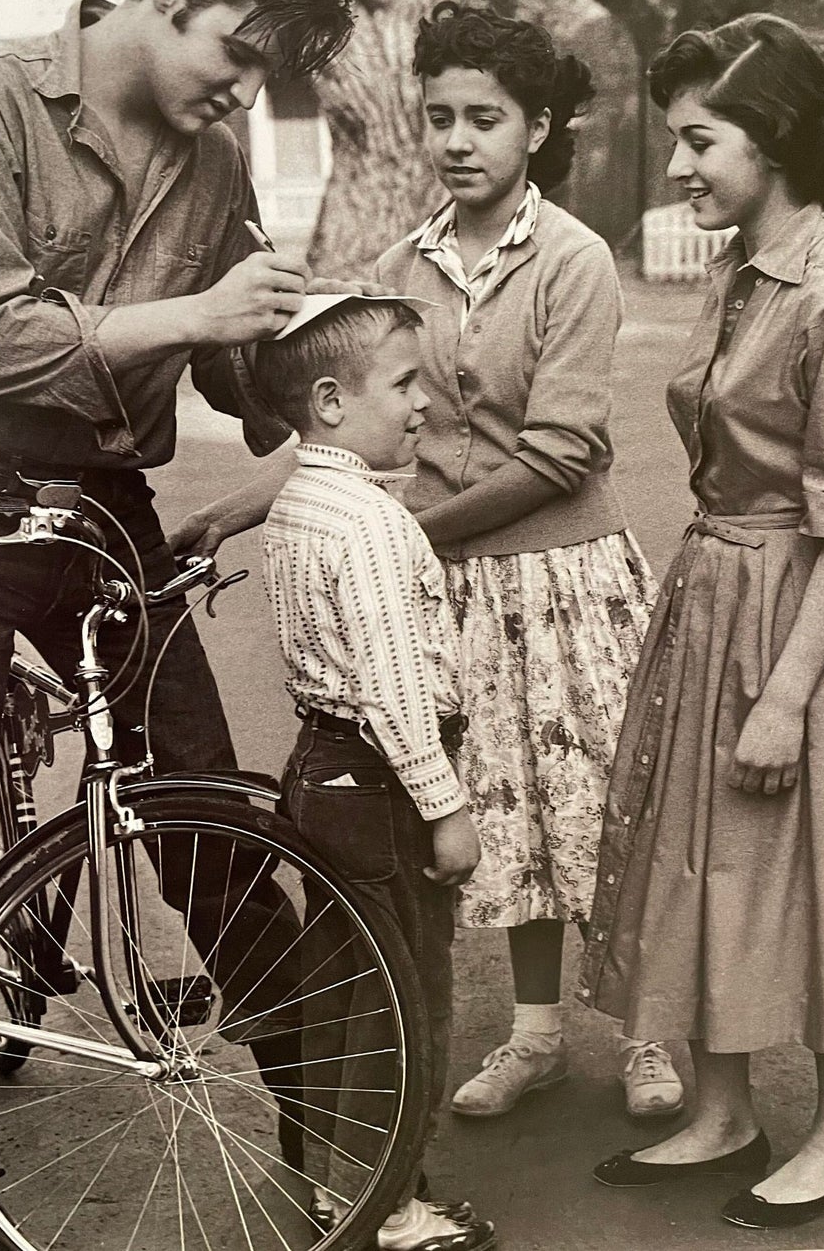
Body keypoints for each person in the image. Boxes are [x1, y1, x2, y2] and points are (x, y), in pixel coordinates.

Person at [0, 0, 354, 1251]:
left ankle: (331, 1134)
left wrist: (314, 348)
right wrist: (190, 309)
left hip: (103, 499)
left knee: (200, 804)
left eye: (269, 72)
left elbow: (246, 386)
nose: (245, 90)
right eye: (241, 50)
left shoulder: (214, 159)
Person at [171, 1, 687, 1123]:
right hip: (443, 584)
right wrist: (229, 511)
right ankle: (536, 1033)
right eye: (441, 116)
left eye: (485, 118)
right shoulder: (401, 264)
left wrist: (404, 530)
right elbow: (334, 438)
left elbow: (560, 453)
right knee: (496, 808)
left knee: (599, 806)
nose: (458, 140)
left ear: (535, 128)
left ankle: (651, 1027)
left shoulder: (573, 258)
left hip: (561, 578)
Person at [581, 13, 824, 1231]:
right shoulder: (735, 276)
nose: (677, 166)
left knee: (817, 867)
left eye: (699, 141)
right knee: (699, 852)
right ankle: (720, 1109)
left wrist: (782, 691)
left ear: (772, 141)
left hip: (800, 617)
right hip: (710, 596)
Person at [255, 294, 496, 1251]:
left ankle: (335, 1183)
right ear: (327, 400)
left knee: (344, 986)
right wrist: (445, 806)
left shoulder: (299, 502)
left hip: (323, 766)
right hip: (381, 776)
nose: (422, 404)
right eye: (403, 383)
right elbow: (394, 684)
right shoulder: (369, 524)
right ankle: (389, 1208)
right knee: (403, 995)